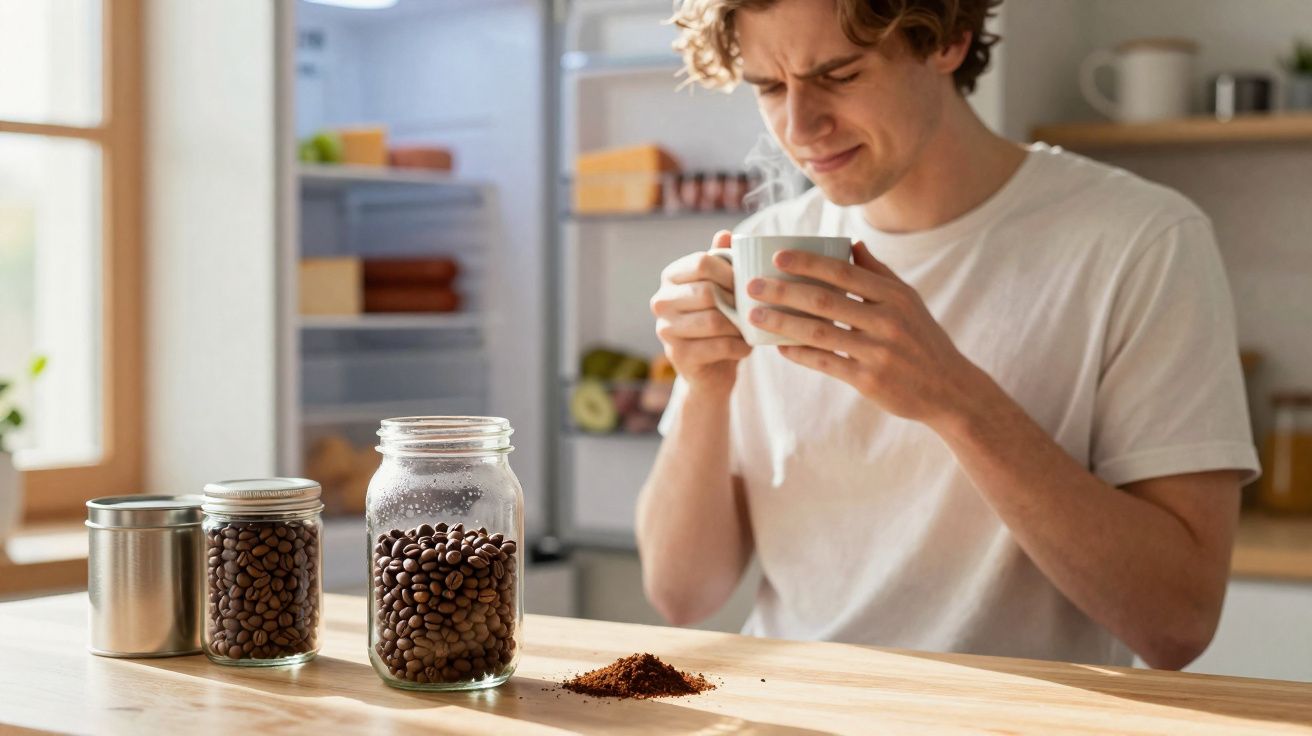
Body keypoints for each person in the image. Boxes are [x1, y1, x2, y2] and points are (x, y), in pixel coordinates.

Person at [637, 0, 1260, 669]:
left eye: (840, 75)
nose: (800, 126)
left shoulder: (1140, 241)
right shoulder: (762, 251)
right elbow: (681, 594)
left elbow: (1178, 623)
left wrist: (954, 400)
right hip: (794, 709)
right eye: (767, 86)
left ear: (949, 39)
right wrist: (705, 387)